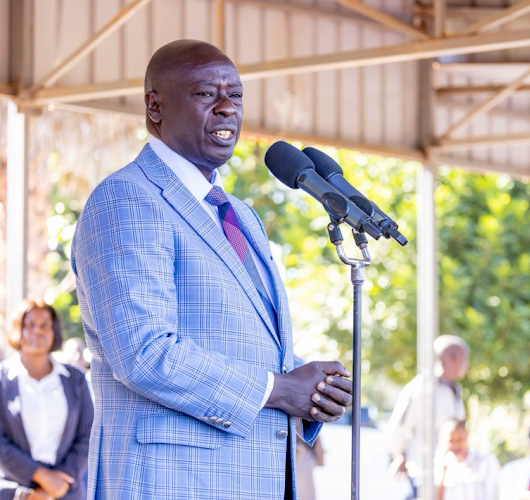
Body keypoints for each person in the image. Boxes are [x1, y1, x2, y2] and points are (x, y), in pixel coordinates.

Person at [71, 40, 353, 500]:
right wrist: (279, 389)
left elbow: (241, 351)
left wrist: (310, 390)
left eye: (236, 95)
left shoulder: (240, 215)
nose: (227, 108)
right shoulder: (127, 199)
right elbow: (144, 353)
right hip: (169, 484)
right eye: (206, 94)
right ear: (155, 105)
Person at [0, 300, 93, 500]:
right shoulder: (1, 380)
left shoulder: (75, 379)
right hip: (16, 491)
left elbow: (87, 434)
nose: (38, 331)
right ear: (19, 329)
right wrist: (41, 477)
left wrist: (57, 484)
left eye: (45, 325)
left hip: (66, 490)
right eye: (31, 325)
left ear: (54, 331)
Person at [386, 335, 470, 500]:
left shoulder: (453, 390)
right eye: (464, 358)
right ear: (451, 358)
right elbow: (399, 427)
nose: (466, 364)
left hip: (447, 476)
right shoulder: (422, 387)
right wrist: (399, 455)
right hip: (421, 474)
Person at [435, 419, 500, 500]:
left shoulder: (486, 462)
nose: (456, 444)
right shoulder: (441, 466)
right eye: (451, 441)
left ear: (466, 435)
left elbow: (493, 495)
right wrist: (441, 472)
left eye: (460, 439)